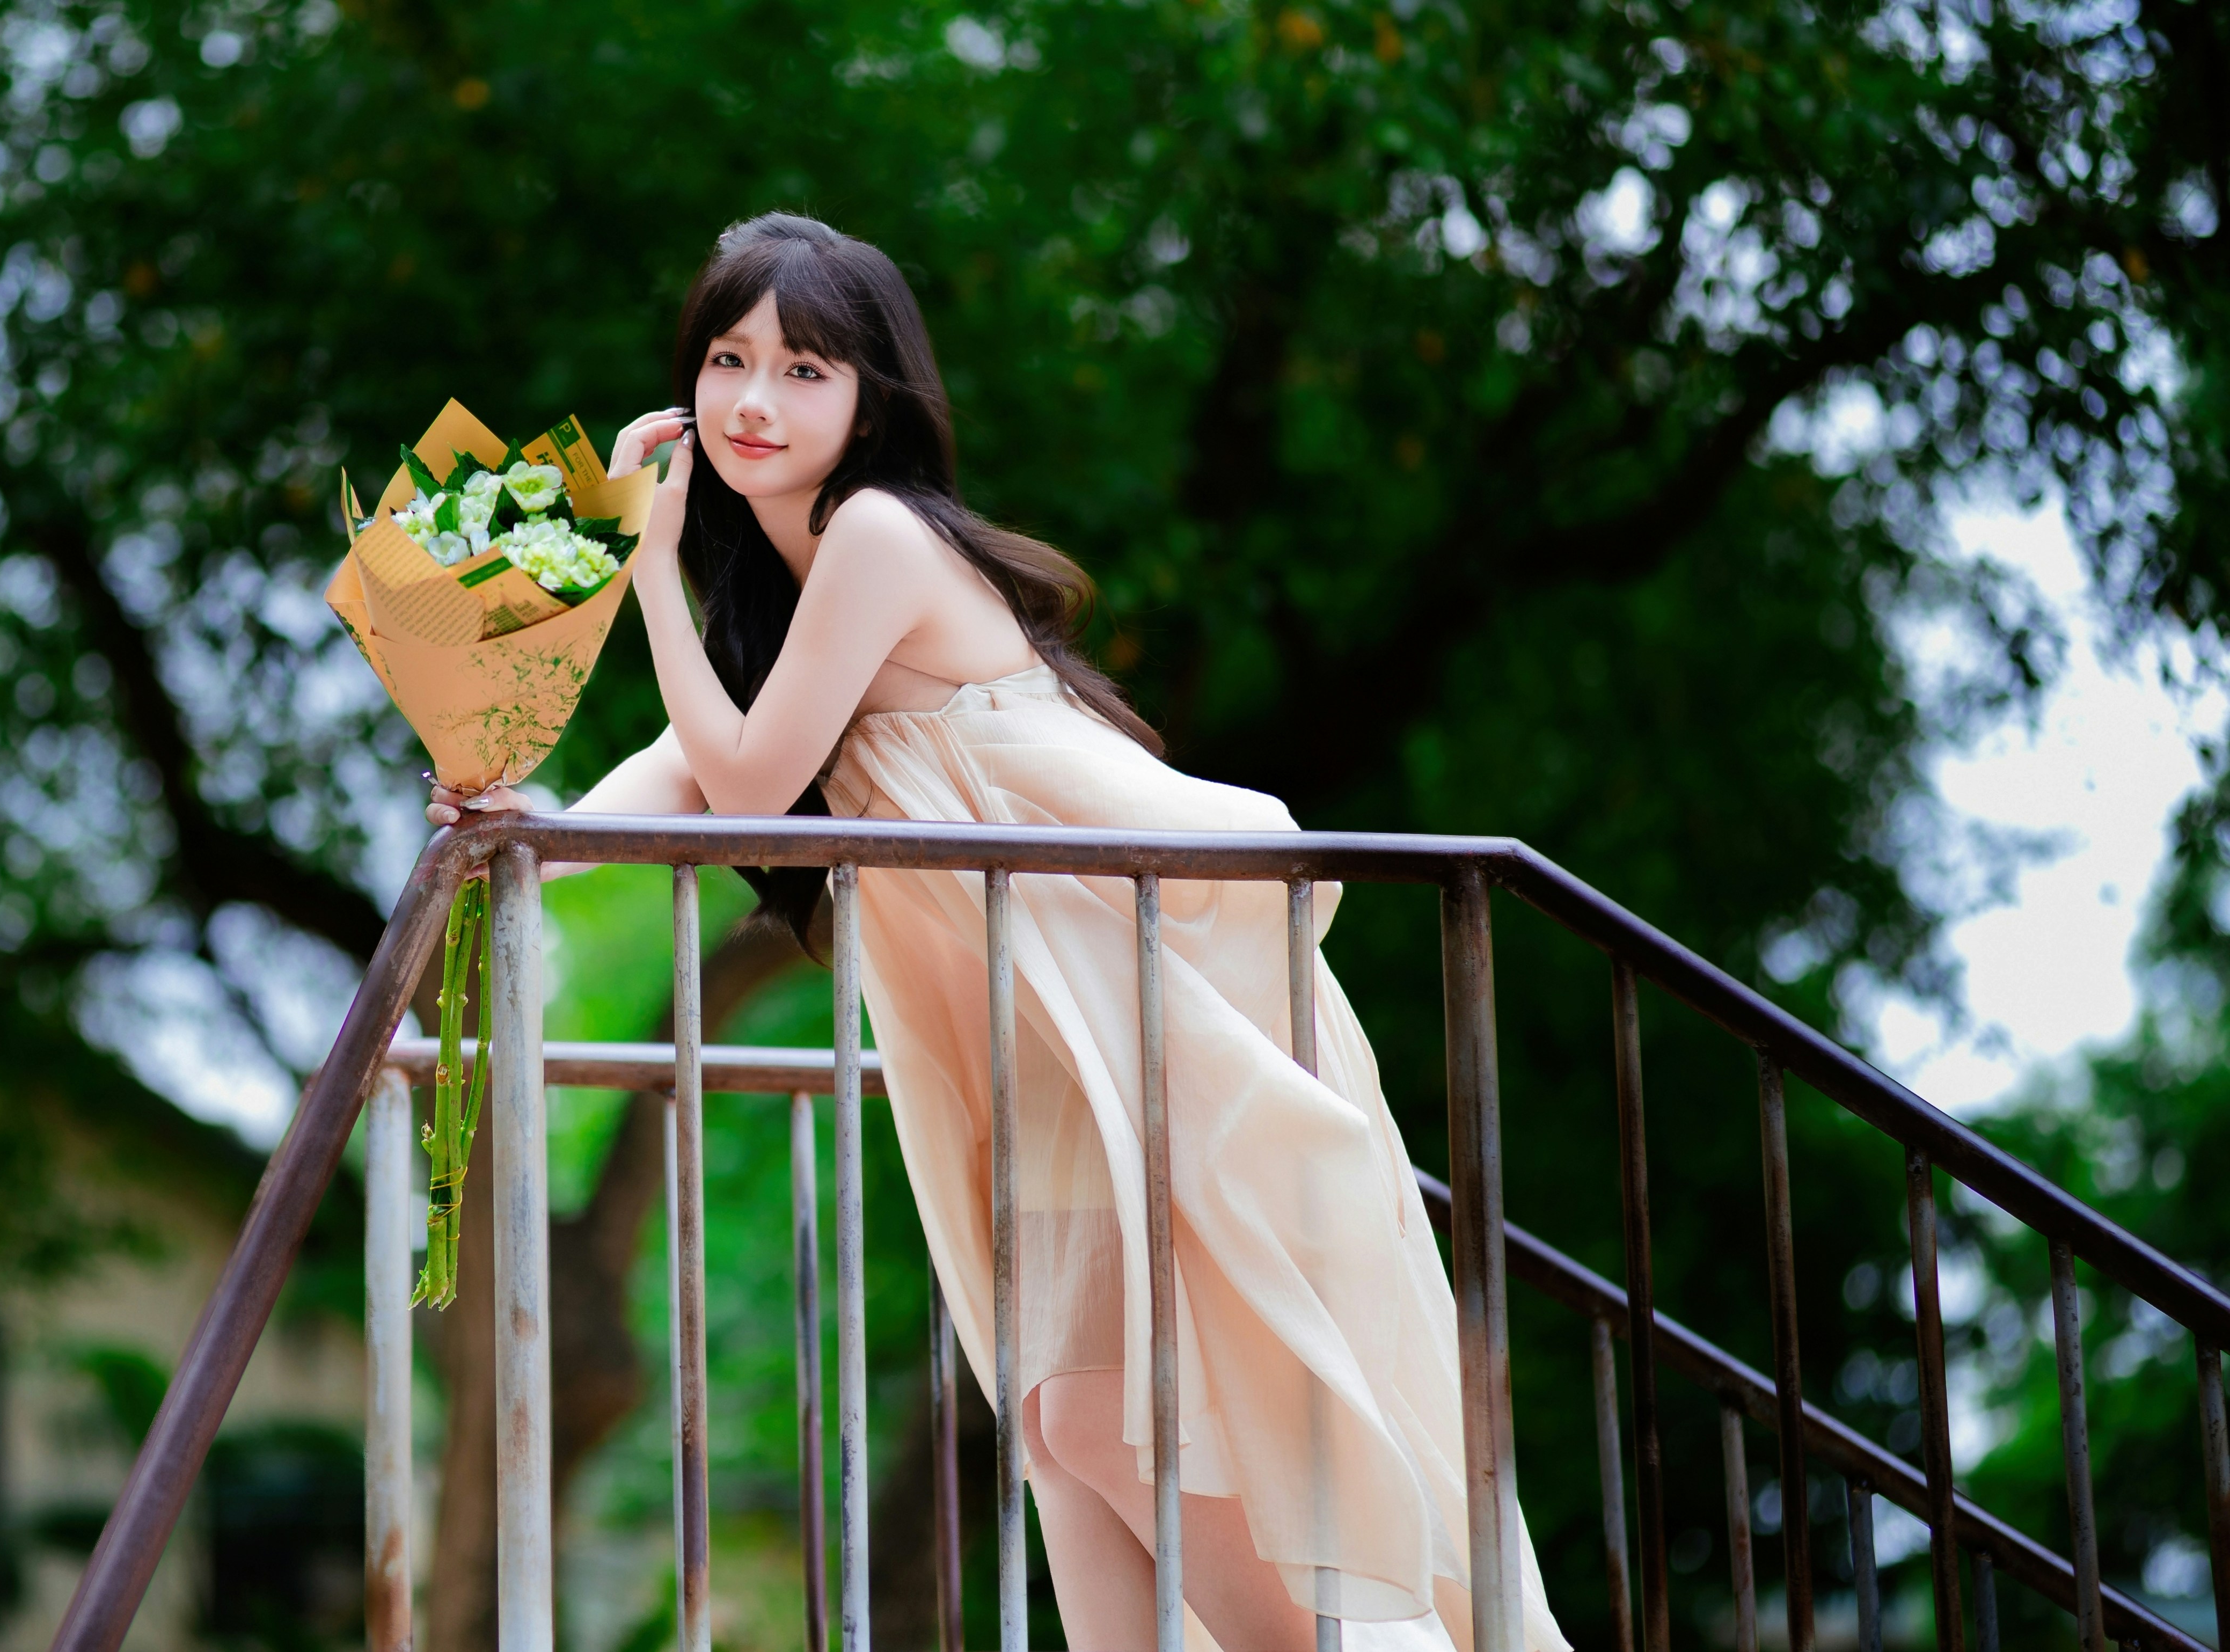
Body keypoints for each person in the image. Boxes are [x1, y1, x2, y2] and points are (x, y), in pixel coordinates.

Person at [428, 213, 1566, 1652]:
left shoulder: (878, 538)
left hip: (1140, 1017)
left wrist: (643, 567)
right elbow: (684, 770)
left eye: (803, 367)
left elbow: (760, 782)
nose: (753, 402)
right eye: (726, 359)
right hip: (1040, 1043)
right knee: (1064, 1429)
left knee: (1101, 1420)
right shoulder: (781, 593)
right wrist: (521, 821)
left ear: (873, 398)